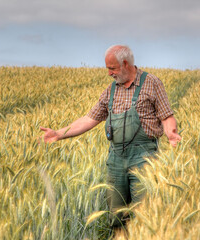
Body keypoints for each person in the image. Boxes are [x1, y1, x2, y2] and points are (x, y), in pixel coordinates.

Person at [40, 45, 181, 231]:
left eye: (112, 68)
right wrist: (59, 133)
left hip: (144, 158)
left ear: (125, 64)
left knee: (144, 214)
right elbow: (90, 118)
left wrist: (171, 134)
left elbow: (166, 115)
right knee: (116, 216)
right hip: (116, 159)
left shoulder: (152, 83)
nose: (109, 73)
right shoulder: (111, 90)